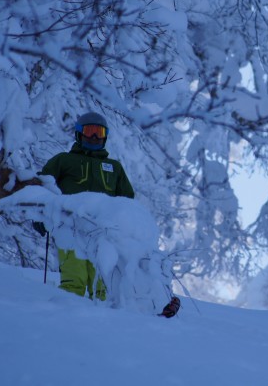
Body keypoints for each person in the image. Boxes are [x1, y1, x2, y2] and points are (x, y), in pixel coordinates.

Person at [34, 111, 180, 317]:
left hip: (104, 234)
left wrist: (129, 230)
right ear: (78, 134)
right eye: (89, 132)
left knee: (104, 282)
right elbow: (43, 187)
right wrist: (41, 216)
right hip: (71, 228)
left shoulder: (114, 167)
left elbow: (126, 200)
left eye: (99, 132)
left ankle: (105, 324)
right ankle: (64, 319)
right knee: (74, 278)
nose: (94, 137)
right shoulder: (64, 161)